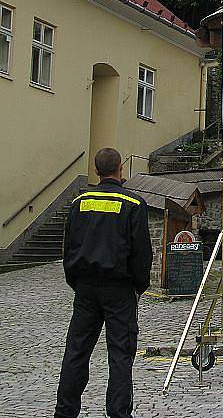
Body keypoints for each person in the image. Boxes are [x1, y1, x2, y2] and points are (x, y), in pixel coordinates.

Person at [54, 148, 153, 418]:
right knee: (120, 354)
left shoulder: (79, 202)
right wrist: (138, 286)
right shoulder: (133, 204)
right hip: (120, 289)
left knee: (76, 351)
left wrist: (75, 281)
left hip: (85, 287)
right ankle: (119, 413)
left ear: (96, 171)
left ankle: (65, 411)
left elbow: (68, 247)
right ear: (120, 168)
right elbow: (142, 252)